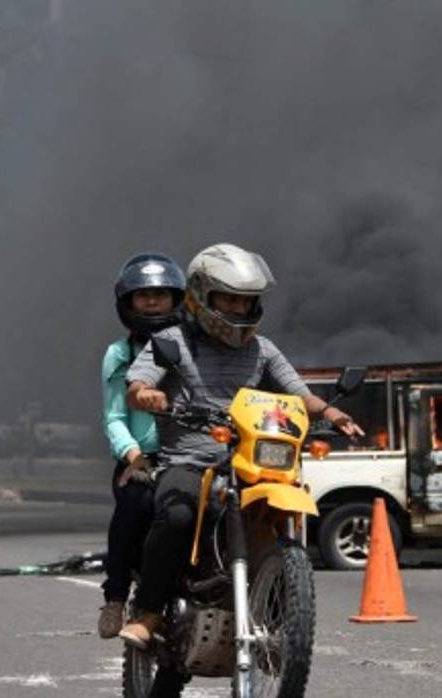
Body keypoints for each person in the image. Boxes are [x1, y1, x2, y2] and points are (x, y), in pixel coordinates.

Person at [119, 243, 363, 648]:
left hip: (251, 461)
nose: (236, 309)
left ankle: (279, 607)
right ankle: (149, 612)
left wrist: (333, 415)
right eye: (228, 299)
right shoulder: (172, 341)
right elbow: (138, 383)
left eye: (245, 301)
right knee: (177, 517)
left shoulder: (262, 350)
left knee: (277, 512)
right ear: (201, 295)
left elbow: (299, 395)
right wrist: (145, 394)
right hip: (190, 462)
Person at [98, 252, 187, 639]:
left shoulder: (194, 346)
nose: (152, 301)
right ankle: (116, 596)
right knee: (134, 507)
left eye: (161, 293)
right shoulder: (120, 354)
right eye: (142, 294)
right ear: (127, 302)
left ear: (177, 298)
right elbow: (114, 417)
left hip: (190, 455)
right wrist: (133, 455)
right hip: (142, 458)